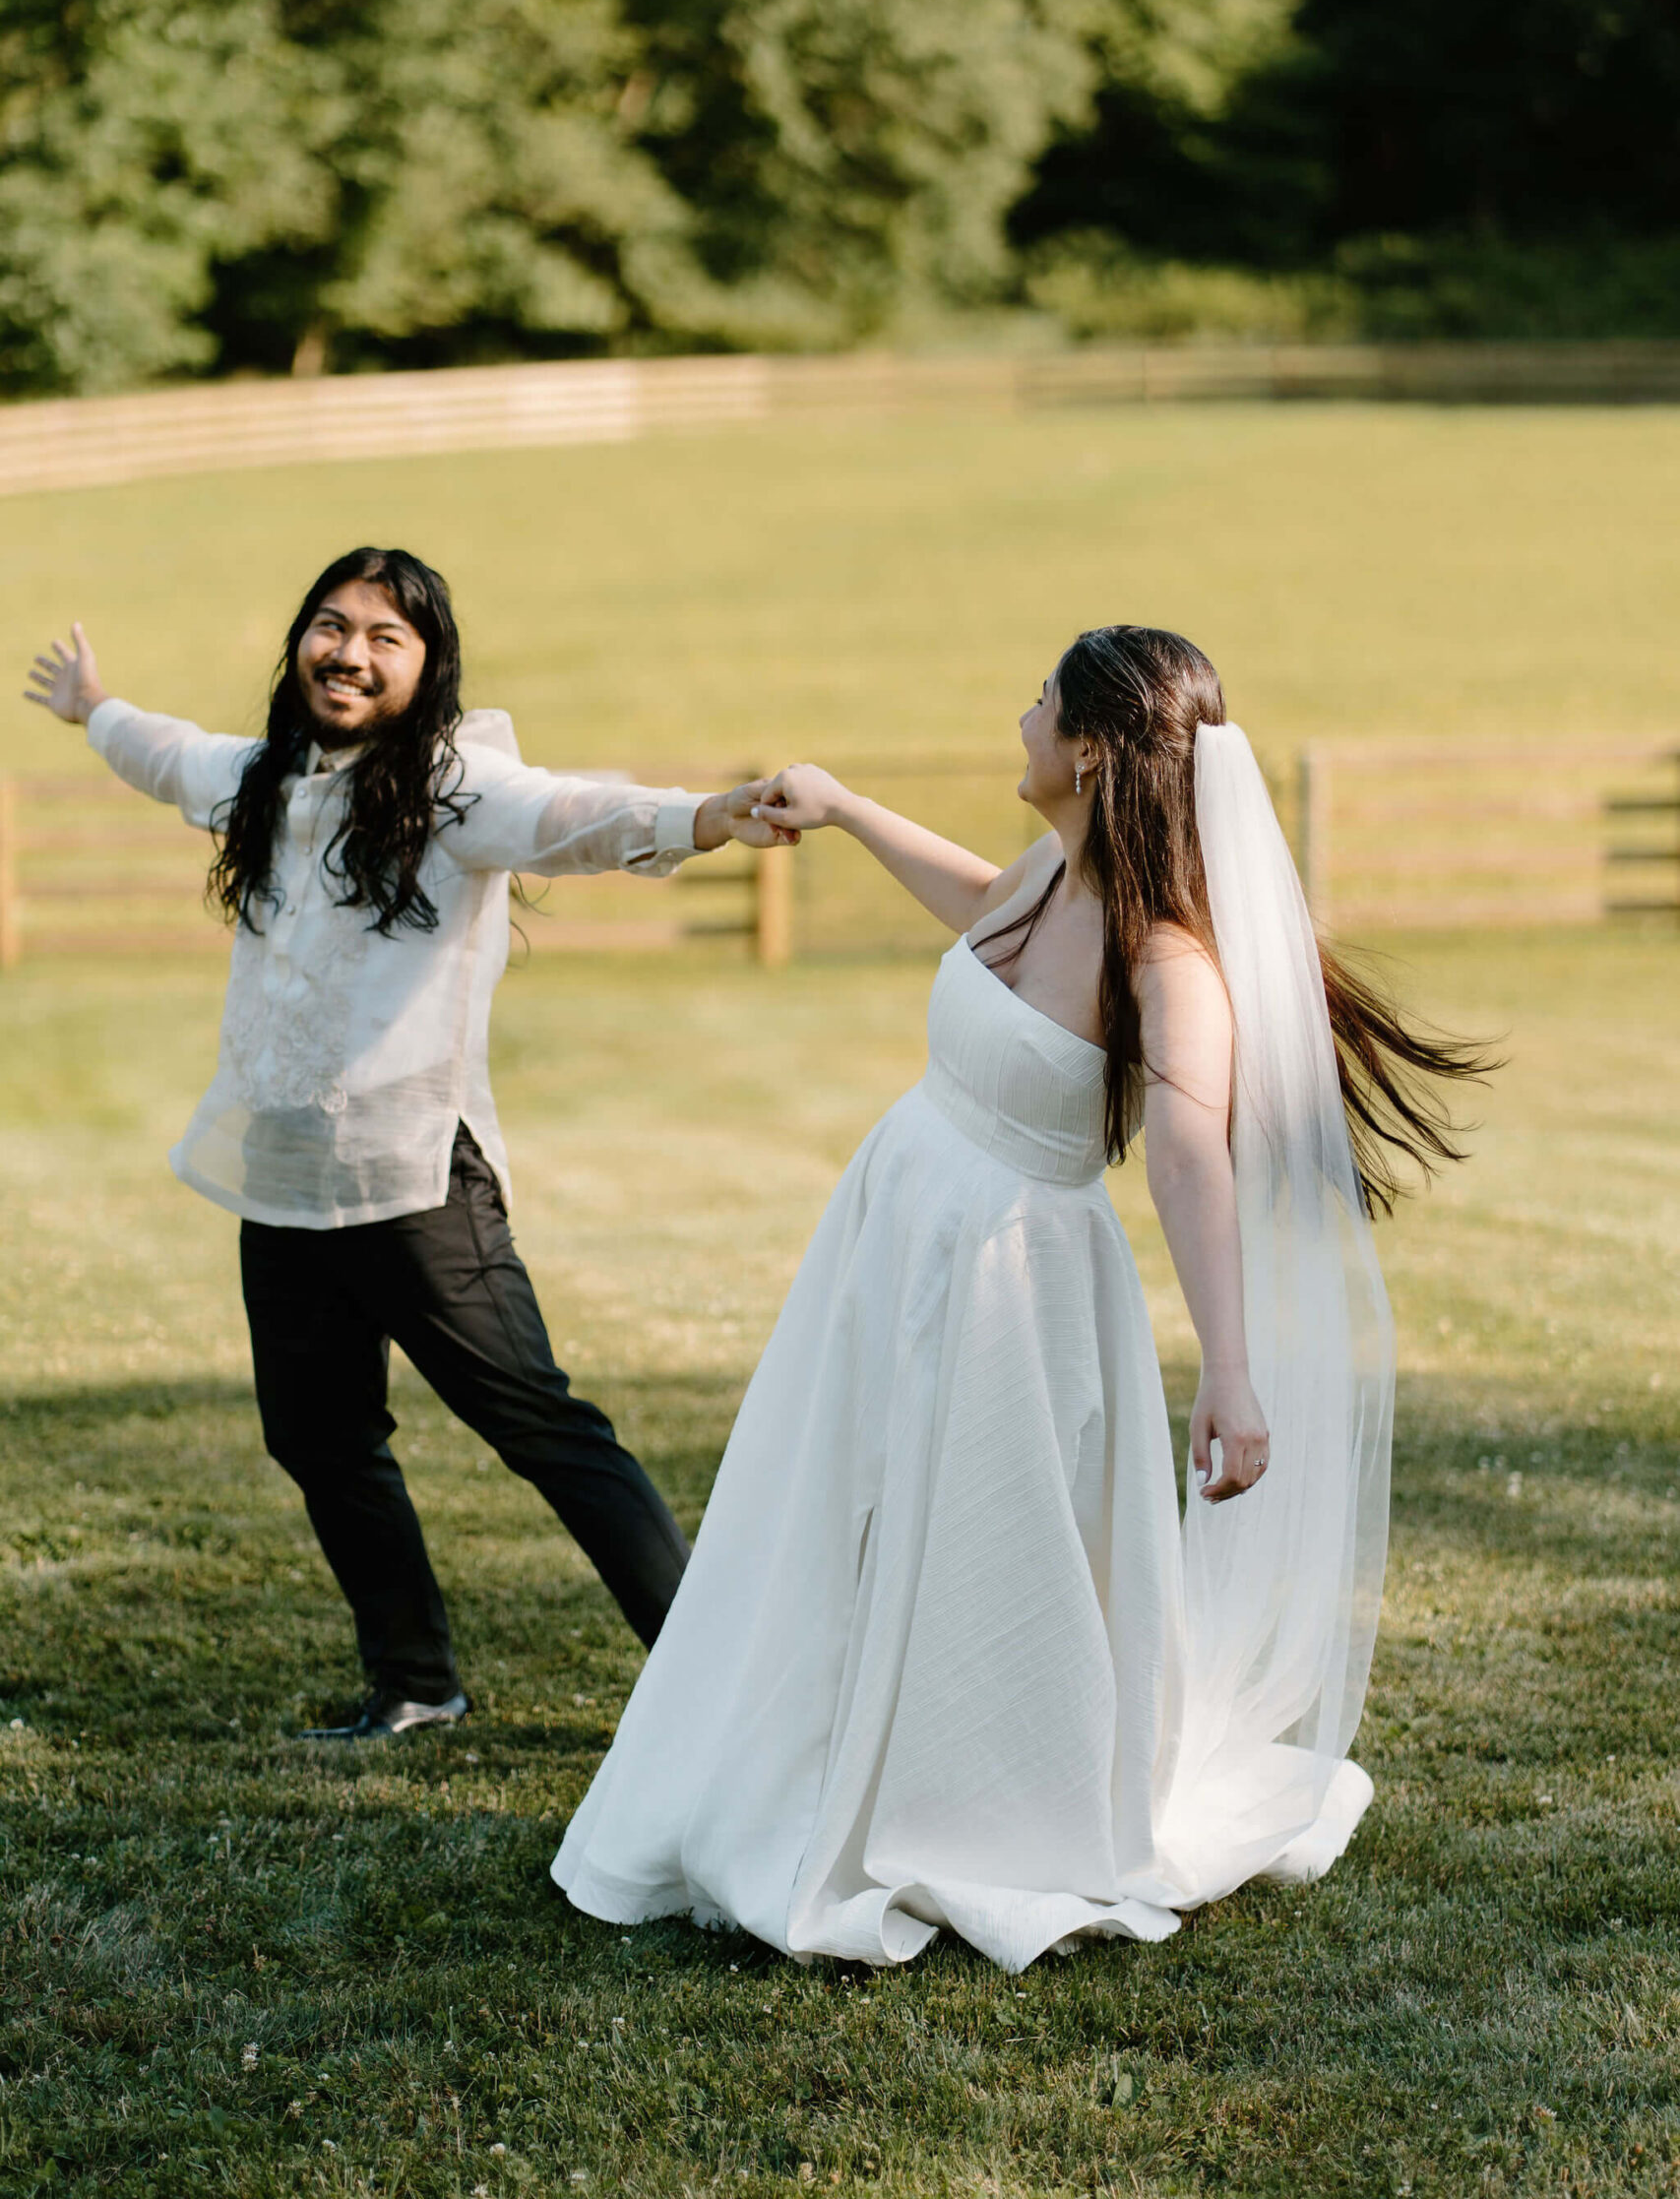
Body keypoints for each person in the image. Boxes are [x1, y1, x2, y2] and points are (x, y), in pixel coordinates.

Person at [552, 625, 1487, 1970]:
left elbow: (1184, 1158)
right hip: (898, 1233)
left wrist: (1228, 1371)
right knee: (840, 1516)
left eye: (1038, 701)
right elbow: (975, 900)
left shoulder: (1168, 963)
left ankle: (955, 1802)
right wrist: (849, 808)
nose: (1017, 715)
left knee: (974, 1547)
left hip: (1005, 1283)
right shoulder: (1053, 872)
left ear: (1091, 751)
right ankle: (803, 1766)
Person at [25, 547, 788, 1741]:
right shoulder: (262, 778)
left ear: (426, 665)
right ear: (299, 645)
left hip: (412, 1176)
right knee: (320, 1438)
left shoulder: (452, 786)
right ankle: (417, 1681)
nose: (350, 652)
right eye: (331, 627)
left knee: (543, 1428)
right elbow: (164, 752)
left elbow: (573, 815)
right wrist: (93, 710)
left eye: (386, 636)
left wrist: (703, 818)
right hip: (279, 1179)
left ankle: (720, 1685)